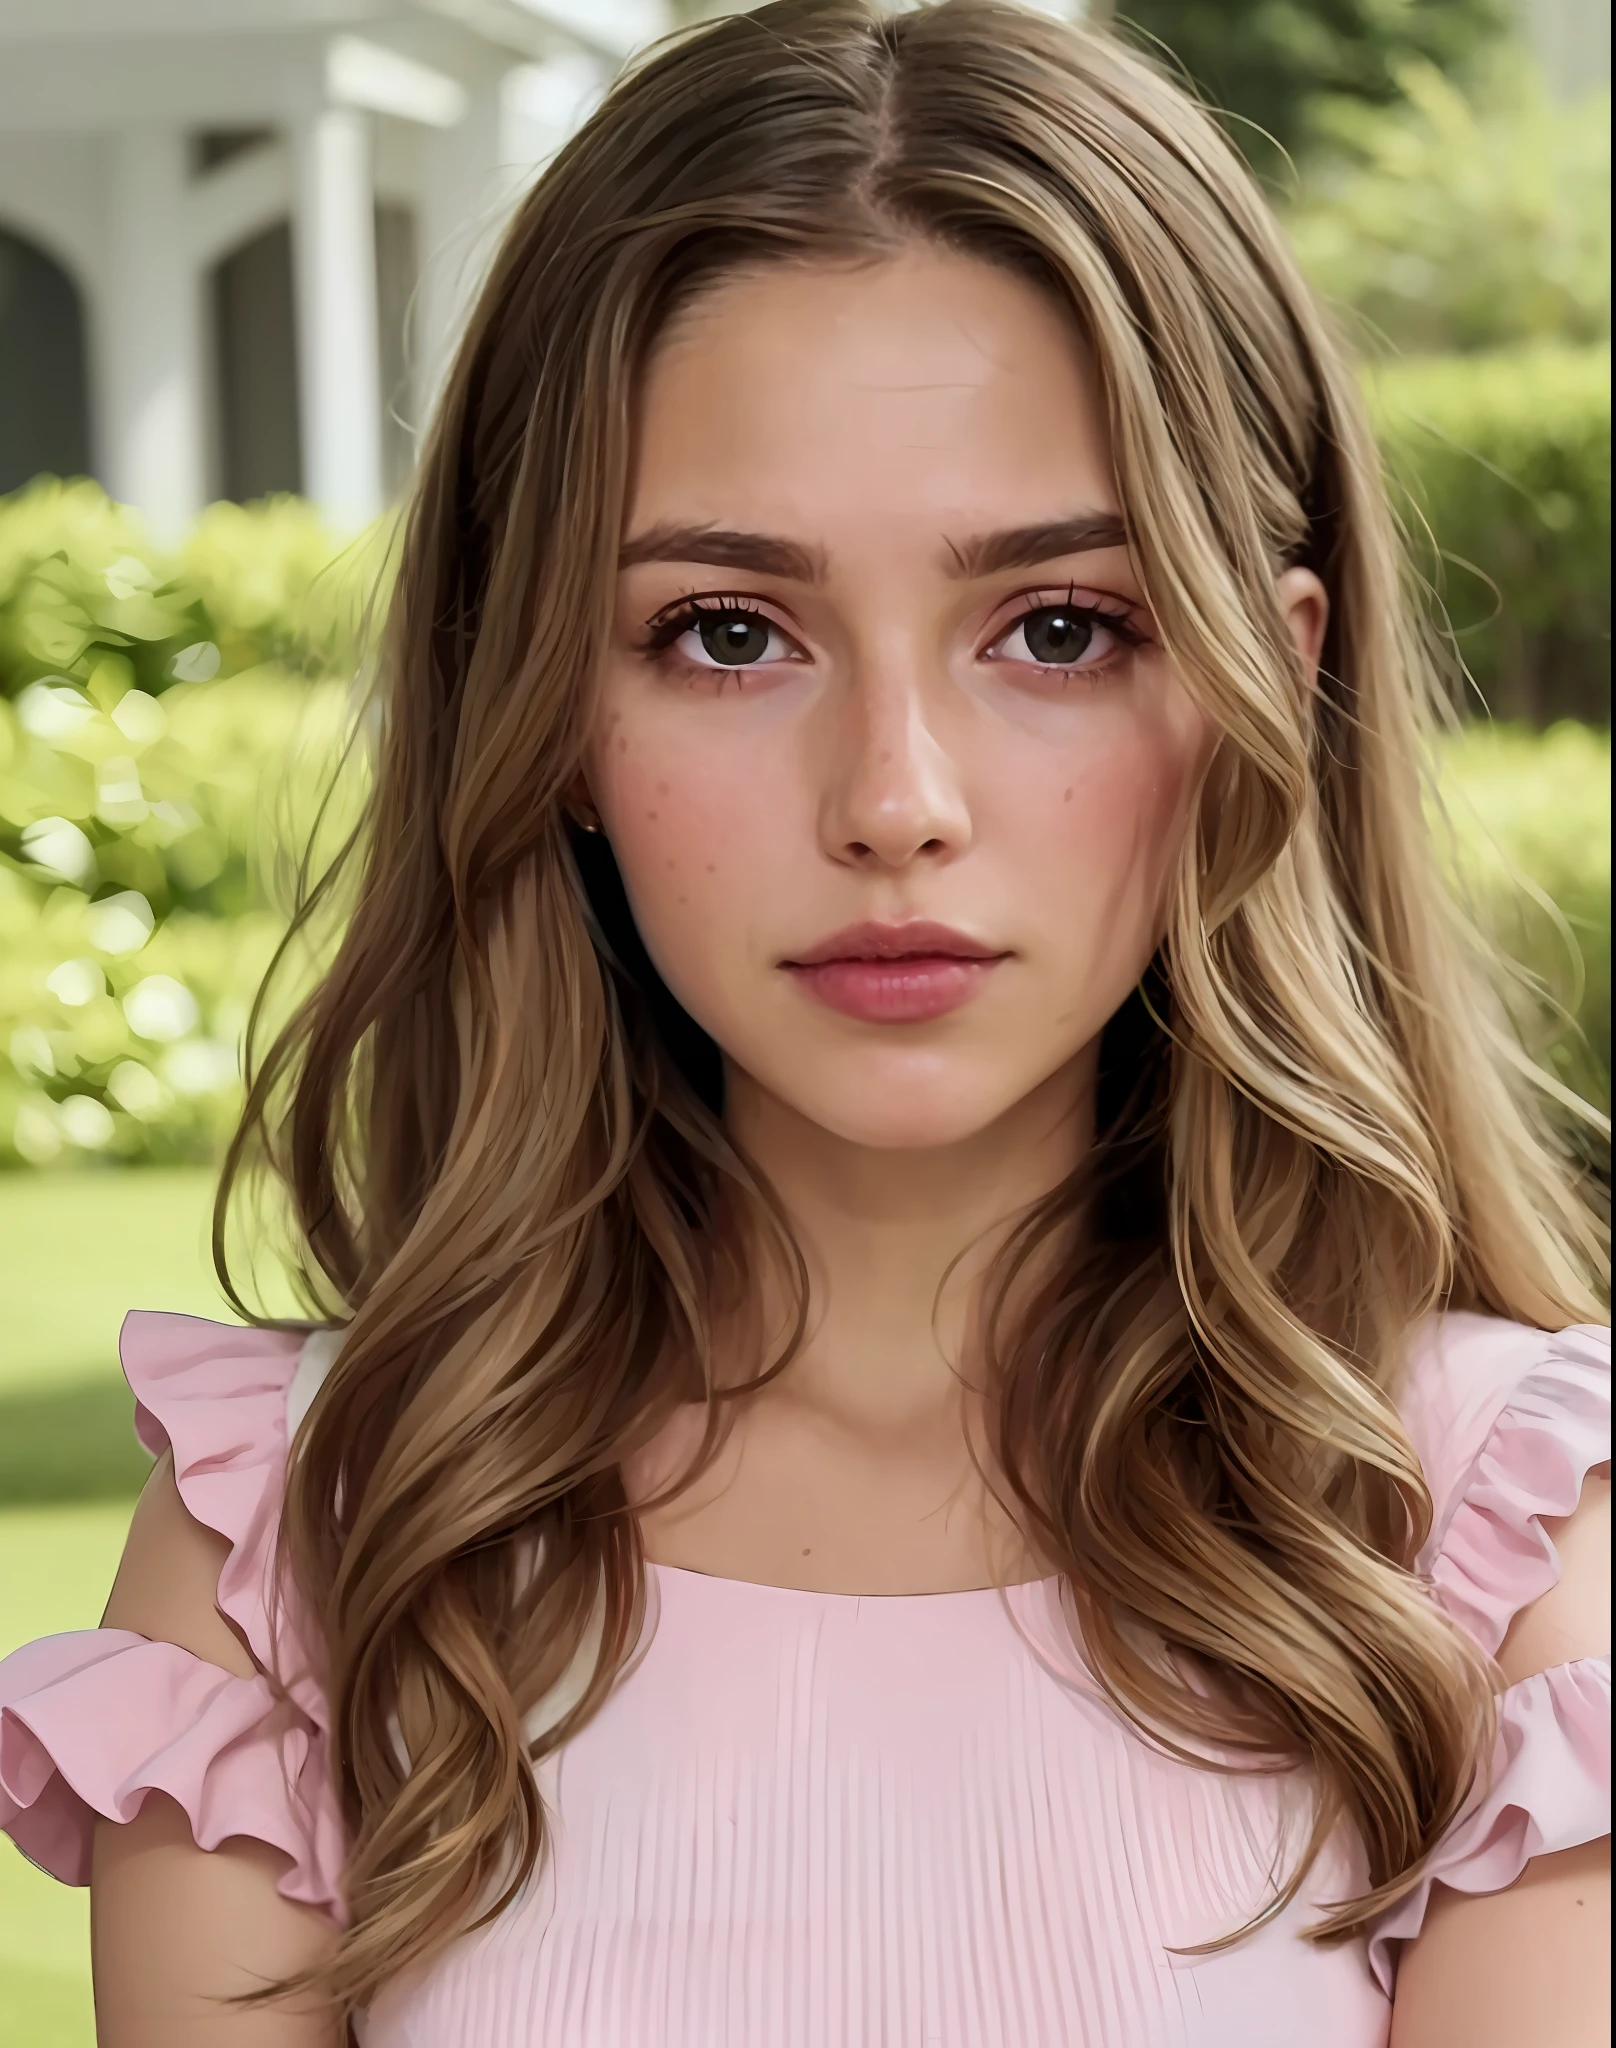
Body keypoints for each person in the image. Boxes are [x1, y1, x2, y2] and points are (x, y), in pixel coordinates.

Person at [1, 2, 1608, 2042]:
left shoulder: (1498, 1560)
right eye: (728, 632)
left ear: (1258, 686)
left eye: (1056, 626)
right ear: (547, 706)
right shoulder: (303, 1554)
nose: (895, 797)